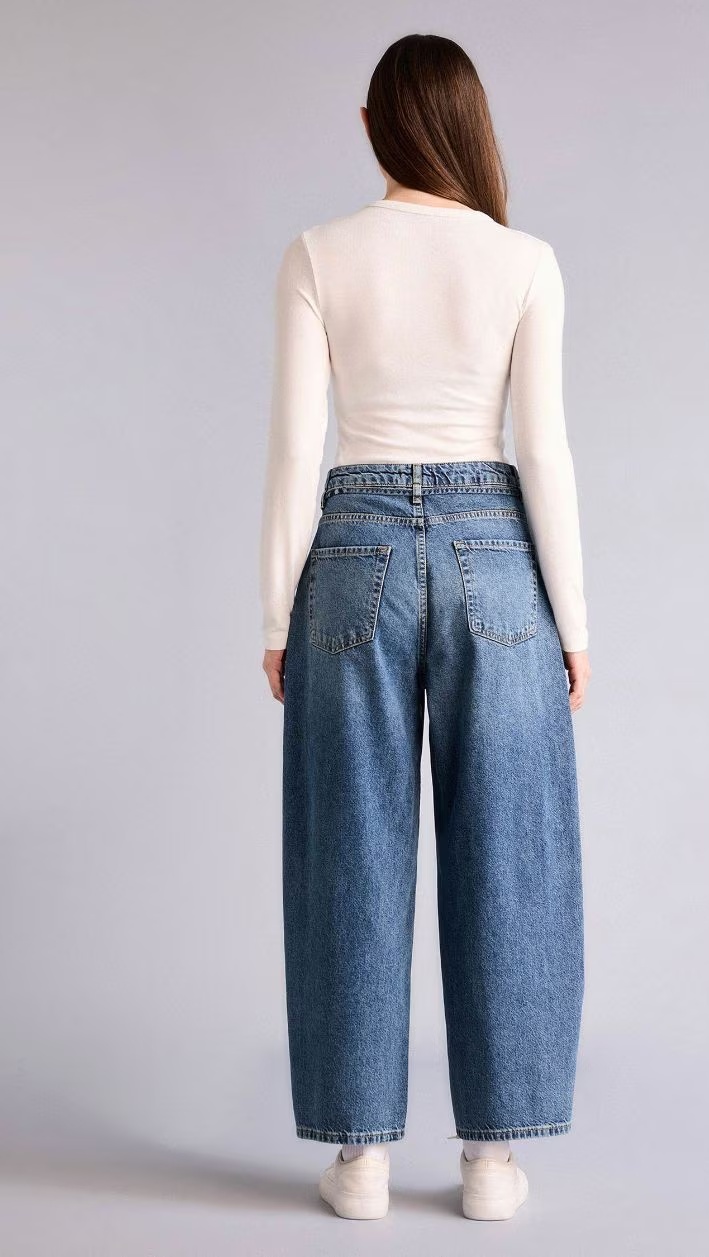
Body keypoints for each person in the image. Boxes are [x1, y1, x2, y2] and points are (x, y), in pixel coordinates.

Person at [259, 33, 591, 1221]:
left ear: (371, 125)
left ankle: (358, 1159)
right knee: (512, 847)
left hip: (349, 553)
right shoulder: (524, 261)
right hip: (495, 554)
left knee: (347, 845)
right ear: (469, 122)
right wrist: (574, 621)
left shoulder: (318, 253)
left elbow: (296, 449)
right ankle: (492, 1160)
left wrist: (275, 611)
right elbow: (541, 451)